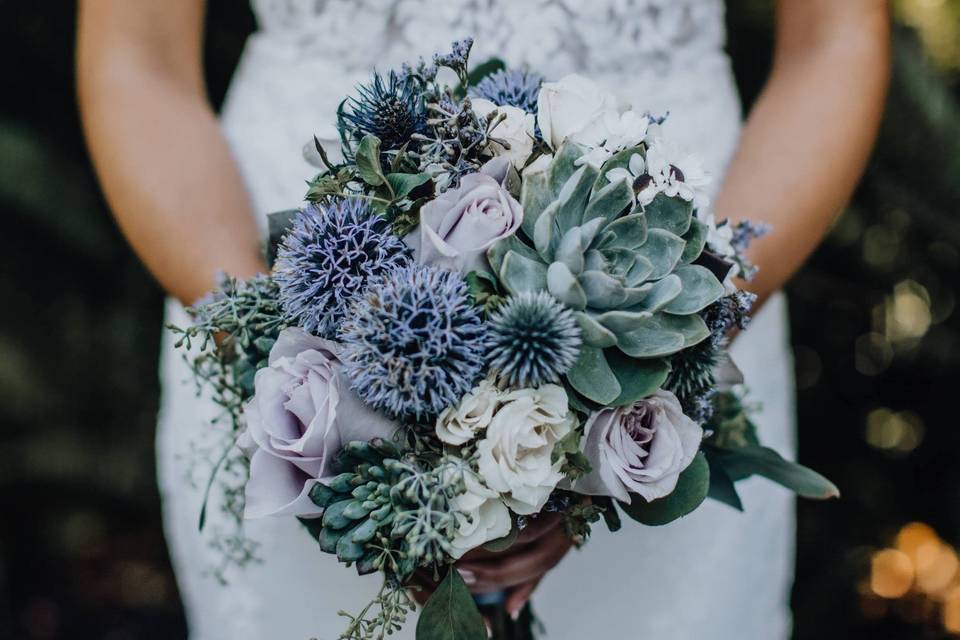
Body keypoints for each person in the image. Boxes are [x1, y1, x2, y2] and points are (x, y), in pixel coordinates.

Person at [77, 1, 890, 638]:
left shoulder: (680, 315)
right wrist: (289, 362)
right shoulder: (282, 350)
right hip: (272, 270)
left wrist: (678, 332)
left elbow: (834, 38)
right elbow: (137, 55)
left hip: (670, 269)